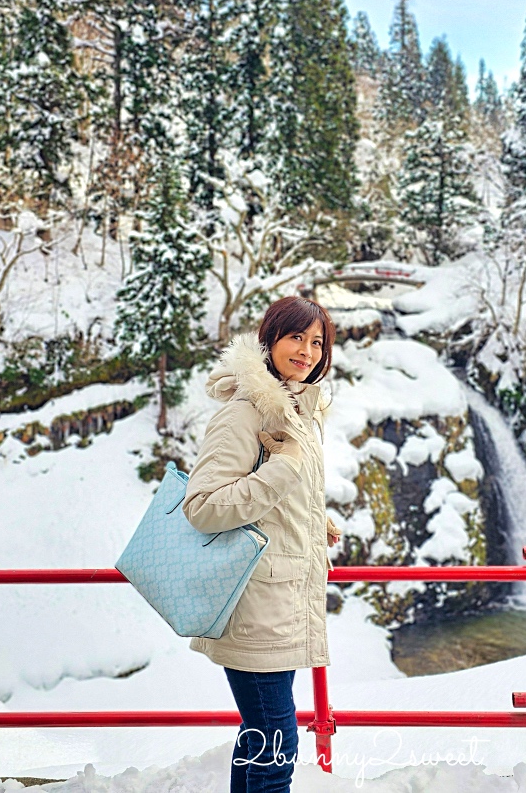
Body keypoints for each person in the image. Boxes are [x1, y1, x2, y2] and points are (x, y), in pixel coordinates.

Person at [183, 296, 341, 793]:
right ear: (269, 339)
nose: (308, 351)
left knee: (260, 741)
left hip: (281, 602)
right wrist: (284, 472)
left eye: (318, 342)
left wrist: (314, 519)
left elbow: (276, 492)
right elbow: (203, 506)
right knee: (277, 751)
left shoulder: (292, 408)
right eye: (297, 337)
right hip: (256, 609)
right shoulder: (245, 413)